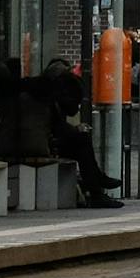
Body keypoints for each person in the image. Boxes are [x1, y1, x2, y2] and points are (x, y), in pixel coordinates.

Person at [32, 60, 123, 208]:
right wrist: (76, 130)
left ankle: (97, 184)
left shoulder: (48, 99)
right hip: (44, 143)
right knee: (82, 143)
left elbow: (57, 128)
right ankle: (96, 187)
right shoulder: (50, 102)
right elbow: (57, 129)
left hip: (46, 140)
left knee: (81, 143)